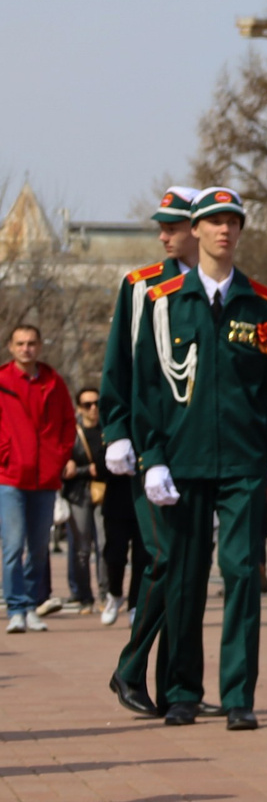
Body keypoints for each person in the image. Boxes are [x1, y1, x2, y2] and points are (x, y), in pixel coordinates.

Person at [132, 188, 267, 728]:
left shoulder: (265, 304)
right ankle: (182, 690)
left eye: (233, 221)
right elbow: (147, 387)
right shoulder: (163, 302)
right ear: (196, 230)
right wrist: (152, 456)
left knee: (242, 572)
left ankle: (238, 697)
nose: (224, 230)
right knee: (185, 576)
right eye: (214, 221)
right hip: (183, 460)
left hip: (245, 463)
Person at [101, 188, 199, 711]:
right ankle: (130, 668)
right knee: (165, 558)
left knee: (190, 566)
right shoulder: (141, 286)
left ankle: (177, 685)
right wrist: (115, 429)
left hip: (200, 445)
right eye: (162, 226)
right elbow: (120, 362)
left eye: (173, 226)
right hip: (150, 443)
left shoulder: (219, 287)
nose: (163, 235)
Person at [1, 323, 79, 631]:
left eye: (31, 343)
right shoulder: (3, 381)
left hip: (45, 478)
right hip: (9, 476)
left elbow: (67, 422)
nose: (26, 349)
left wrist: (59, 456)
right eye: (20, 343)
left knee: (37, 548)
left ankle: (31, 605)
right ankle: (16, 608)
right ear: (11, 347)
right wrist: (5, 452)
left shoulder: (53, 382)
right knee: (12, 546)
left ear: (39, 346)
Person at [61, 388, 107, 616]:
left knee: (104, 545)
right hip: (78, 495)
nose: (93, 408)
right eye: (87, 404)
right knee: (82, 548)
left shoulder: (107, 431)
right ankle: (84, 596)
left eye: (96, 403)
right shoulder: (71, 433)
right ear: (79, 408)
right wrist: (85, 470)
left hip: (104, 493)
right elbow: (64, 469)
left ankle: (105, 595)